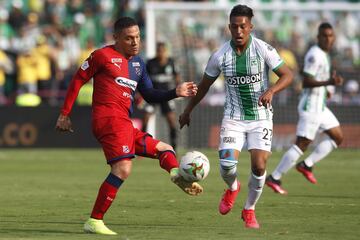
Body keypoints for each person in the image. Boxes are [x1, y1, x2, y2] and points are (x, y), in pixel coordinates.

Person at [55, 17, 203, 235]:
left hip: (123, 123)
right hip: (108, 119)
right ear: (116, 38)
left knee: (165, 149)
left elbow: (151, 95)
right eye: (129, 38)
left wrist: (175, 92)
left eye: (137, 37)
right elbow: (78, 80)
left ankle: (175, 173)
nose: (135, 42)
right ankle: (95, 220)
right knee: (123, 168)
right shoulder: (102, 56)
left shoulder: (138, 64)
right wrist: (64, 114)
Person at [179, 5, 293, 229]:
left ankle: (249, 209)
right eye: (234, 26)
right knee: (226, 166)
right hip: (233, 117)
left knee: (259, 166)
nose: (238, 30)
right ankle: (233, 188)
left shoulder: (263, 49)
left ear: (250, 27)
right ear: (229, 27)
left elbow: (287, 75)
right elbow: (203, 87)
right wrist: (187, 110)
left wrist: (271, 90)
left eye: (243, 26)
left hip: (261, 116)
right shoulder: (220, 56)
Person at [265, 22, 344, 195]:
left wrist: (327, 89)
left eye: (331, 36)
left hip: (320, 105)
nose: (328, 39)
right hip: (310, 106)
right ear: (318, 37)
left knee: (338, 137)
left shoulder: (325, 54)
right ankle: (275, 177)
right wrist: (329, 83)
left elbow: (316, 77)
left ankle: (306, 164)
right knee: (302, 144)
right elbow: (306, 81)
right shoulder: (315, 54)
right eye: (324, 35)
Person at [141, 42, 181, 150]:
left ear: (166, 51)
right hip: (153, 94)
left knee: (171, 121)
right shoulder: (150, 63)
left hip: (167, 95)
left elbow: (177, 77)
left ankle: (174, 148)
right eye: (159, 51)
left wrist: (178, 88)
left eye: (163, 51)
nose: (161, 53)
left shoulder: (171, 62)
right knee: (145, 118)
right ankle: (141, 147)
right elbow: (144, 79)